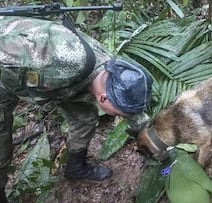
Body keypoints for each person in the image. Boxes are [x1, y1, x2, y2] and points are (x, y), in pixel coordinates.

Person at [0, 16, 152, 202]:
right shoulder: (62, 62)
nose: (120, 117)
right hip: (6, 73)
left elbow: (133, 113)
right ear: (103, 98)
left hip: (57, 85)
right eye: (119, 114)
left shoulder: (113, 72)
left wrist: (154, 139)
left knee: (85, 119)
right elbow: (8, 50)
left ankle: (75, 169)